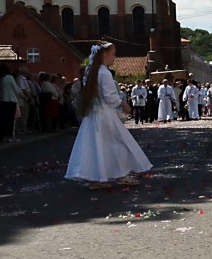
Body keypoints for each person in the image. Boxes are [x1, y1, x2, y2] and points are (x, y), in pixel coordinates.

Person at [65, 43, 152, 187]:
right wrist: (123, 103)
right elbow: (109, 96)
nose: (115, 57)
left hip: (93, 114)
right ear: (105, 55)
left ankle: (97, 176)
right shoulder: (104, 73)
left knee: (95, 145)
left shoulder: (93, 71)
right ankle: (119, 173)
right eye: (113, 54)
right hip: (105, 114)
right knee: (119, 143)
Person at [0, 63, 19, 142]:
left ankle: (3, 135)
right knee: (10, 119)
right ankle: (10, 135)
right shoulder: (9, 77)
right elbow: (15, 89)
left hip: (2, 100)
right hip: (11, 99)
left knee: (3, 119)